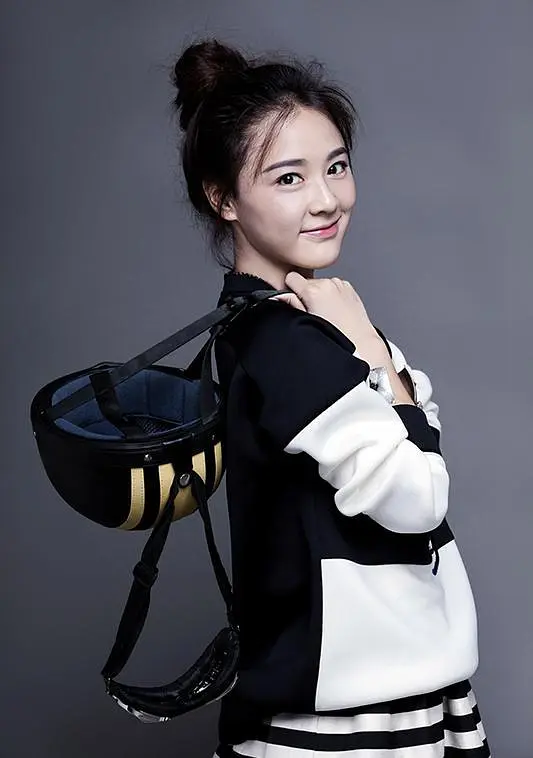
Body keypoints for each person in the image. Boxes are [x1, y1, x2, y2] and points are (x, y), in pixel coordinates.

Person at [169, 38, 490, 757]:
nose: (326, 199)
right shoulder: (287, 342)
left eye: (336, 167)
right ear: (222, 198)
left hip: (374, 694)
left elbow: (413, 440)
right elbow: (419, 497)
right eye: (289, 178)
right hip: (347, 721)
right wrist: (372, 350)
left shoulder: (288, 325)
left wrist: (369, 353)